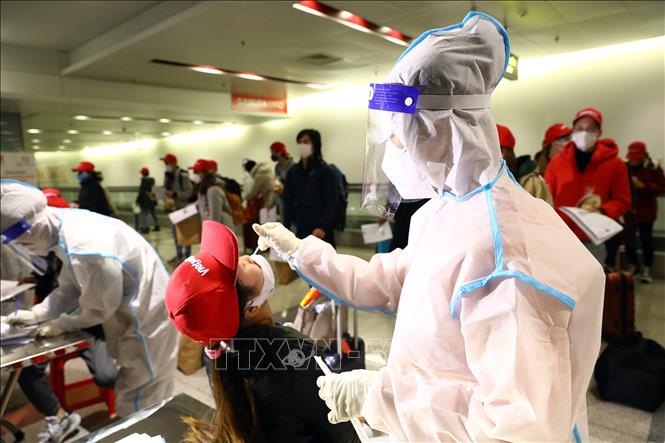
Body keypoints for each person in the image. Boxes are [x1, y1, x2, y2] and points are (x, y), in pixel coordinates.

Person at [254, 12, 604, 442]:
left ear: (441, 128)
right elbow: (390, 282)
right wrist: (300, 251)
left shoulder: (504, 252)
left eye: (399, 133)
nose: (393, 149)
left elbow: (517, 429)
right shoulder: (445, 210)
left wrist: (381, 397)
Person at [165, 221, 359, 443]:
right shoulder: (296, 357)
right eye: (238, 269)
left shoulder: (215, 350)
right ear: (251, 309)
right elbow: (346, 433)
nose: (245, 258)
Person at [2, 180, 178, 417]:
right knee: (146, 394)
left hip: (147, 323)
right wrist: (37, 314)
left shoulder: (86, 247)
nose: (24, 248)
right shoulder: (67, 228)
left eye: (22, 242)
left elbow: (98, 307)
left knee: (140, 400)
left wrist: (62, 323)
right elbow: (71, 286)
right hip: (142, 312)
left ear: (31, 228)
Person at [545, 107, 632, 263]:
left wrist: (602, 210)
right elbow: (546, 198)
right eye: (579, 128)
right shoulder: (556, 163)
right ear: (573, 132)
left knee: (592, 277)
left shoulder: (615, 164)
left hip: (593, 238)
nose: (584, 133)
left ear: (599, 132)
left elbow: (623, 200)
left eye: (591, 129)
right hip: (561, 235)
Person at [282, 129, 339, 247]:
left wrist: (323, 226)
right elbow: (287, 200)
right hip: (299, 229)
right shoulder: (293, 172)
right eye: (299, 142)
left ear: (315, 144)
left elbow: (332, 201)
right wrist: (286, 227)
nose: (302, 145)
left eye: (306, 142)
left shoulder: (326, 171)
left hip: (321, 231)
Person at [624, 142, 665, 283]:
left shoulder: (653, 168)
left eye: (636, 158)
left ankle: (647, 269)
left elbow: (662, 188)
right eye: (631, 158)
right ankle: (633, 266)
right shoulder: (625, 167)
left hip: (646, 211)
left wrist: (644, 186)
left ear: (643, 156)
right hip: (629, 210)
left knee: (646, 240)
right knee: (629, 240)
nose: (633, 161)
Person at [161, 153, 194, 264]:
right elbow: (165, 190)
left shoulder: (182, 175)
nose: (166, 165)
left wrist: (175, 194)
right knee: (175, 235)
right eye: (165, 163)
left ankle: (187, 258)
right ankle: (179, 256)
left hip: (183, 209)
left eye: (167, 163)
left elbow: (189, 192)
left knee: (185, 235)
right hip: (172, 209)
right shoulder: (167, 176)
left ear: (174, 163)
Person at [242, 159, 275, 253]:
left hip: (265, 203)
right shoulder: (267, 171)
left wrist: (245, 196)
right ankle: (271, 248)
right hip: (272, 202)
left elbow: (252, 192)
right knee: (271, 226)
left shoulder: (259, 176)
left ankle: (265, 247)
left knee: (264, 226)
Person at [190, 159, 234, 228]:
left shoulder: (213, 190)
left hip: (220, 229)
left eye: (197, 172)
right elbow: (201, 203)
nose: (195, 175)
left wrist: (211, 231)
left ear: (204, 173)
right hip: (211, 227)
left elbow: (215, 216)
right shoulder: (204, 189)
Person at [136, 167, 160, 233]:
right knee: (153, 213)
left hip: (145, 201)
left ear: (142, 173)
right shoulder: (152, 180)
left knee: (144, 214)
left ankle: (145, 228)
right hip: (152, 200)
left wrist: (137, 201)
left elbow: (141, 192)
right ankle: (157, 225)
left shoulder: (143, 181)